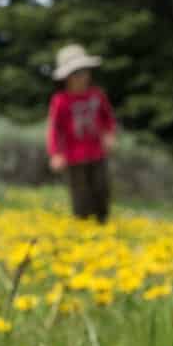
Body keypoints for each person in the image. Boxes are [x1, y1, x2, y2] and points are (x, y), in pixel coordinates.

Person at [47, 43, 118, 223]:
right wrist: (56, 154)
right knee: (80, 193)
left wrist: (109, 135)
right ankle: (82, 227)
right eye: (77, 73)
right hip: (73, 156)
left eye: (85, 71)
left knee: (101, 188)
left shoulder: (97, 95)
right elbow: (55, 129)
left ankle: (103, 224)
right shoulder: (60, 101)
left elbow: (108, 118)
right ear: (67, 77)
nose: (82, 76)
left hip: (97, 153)